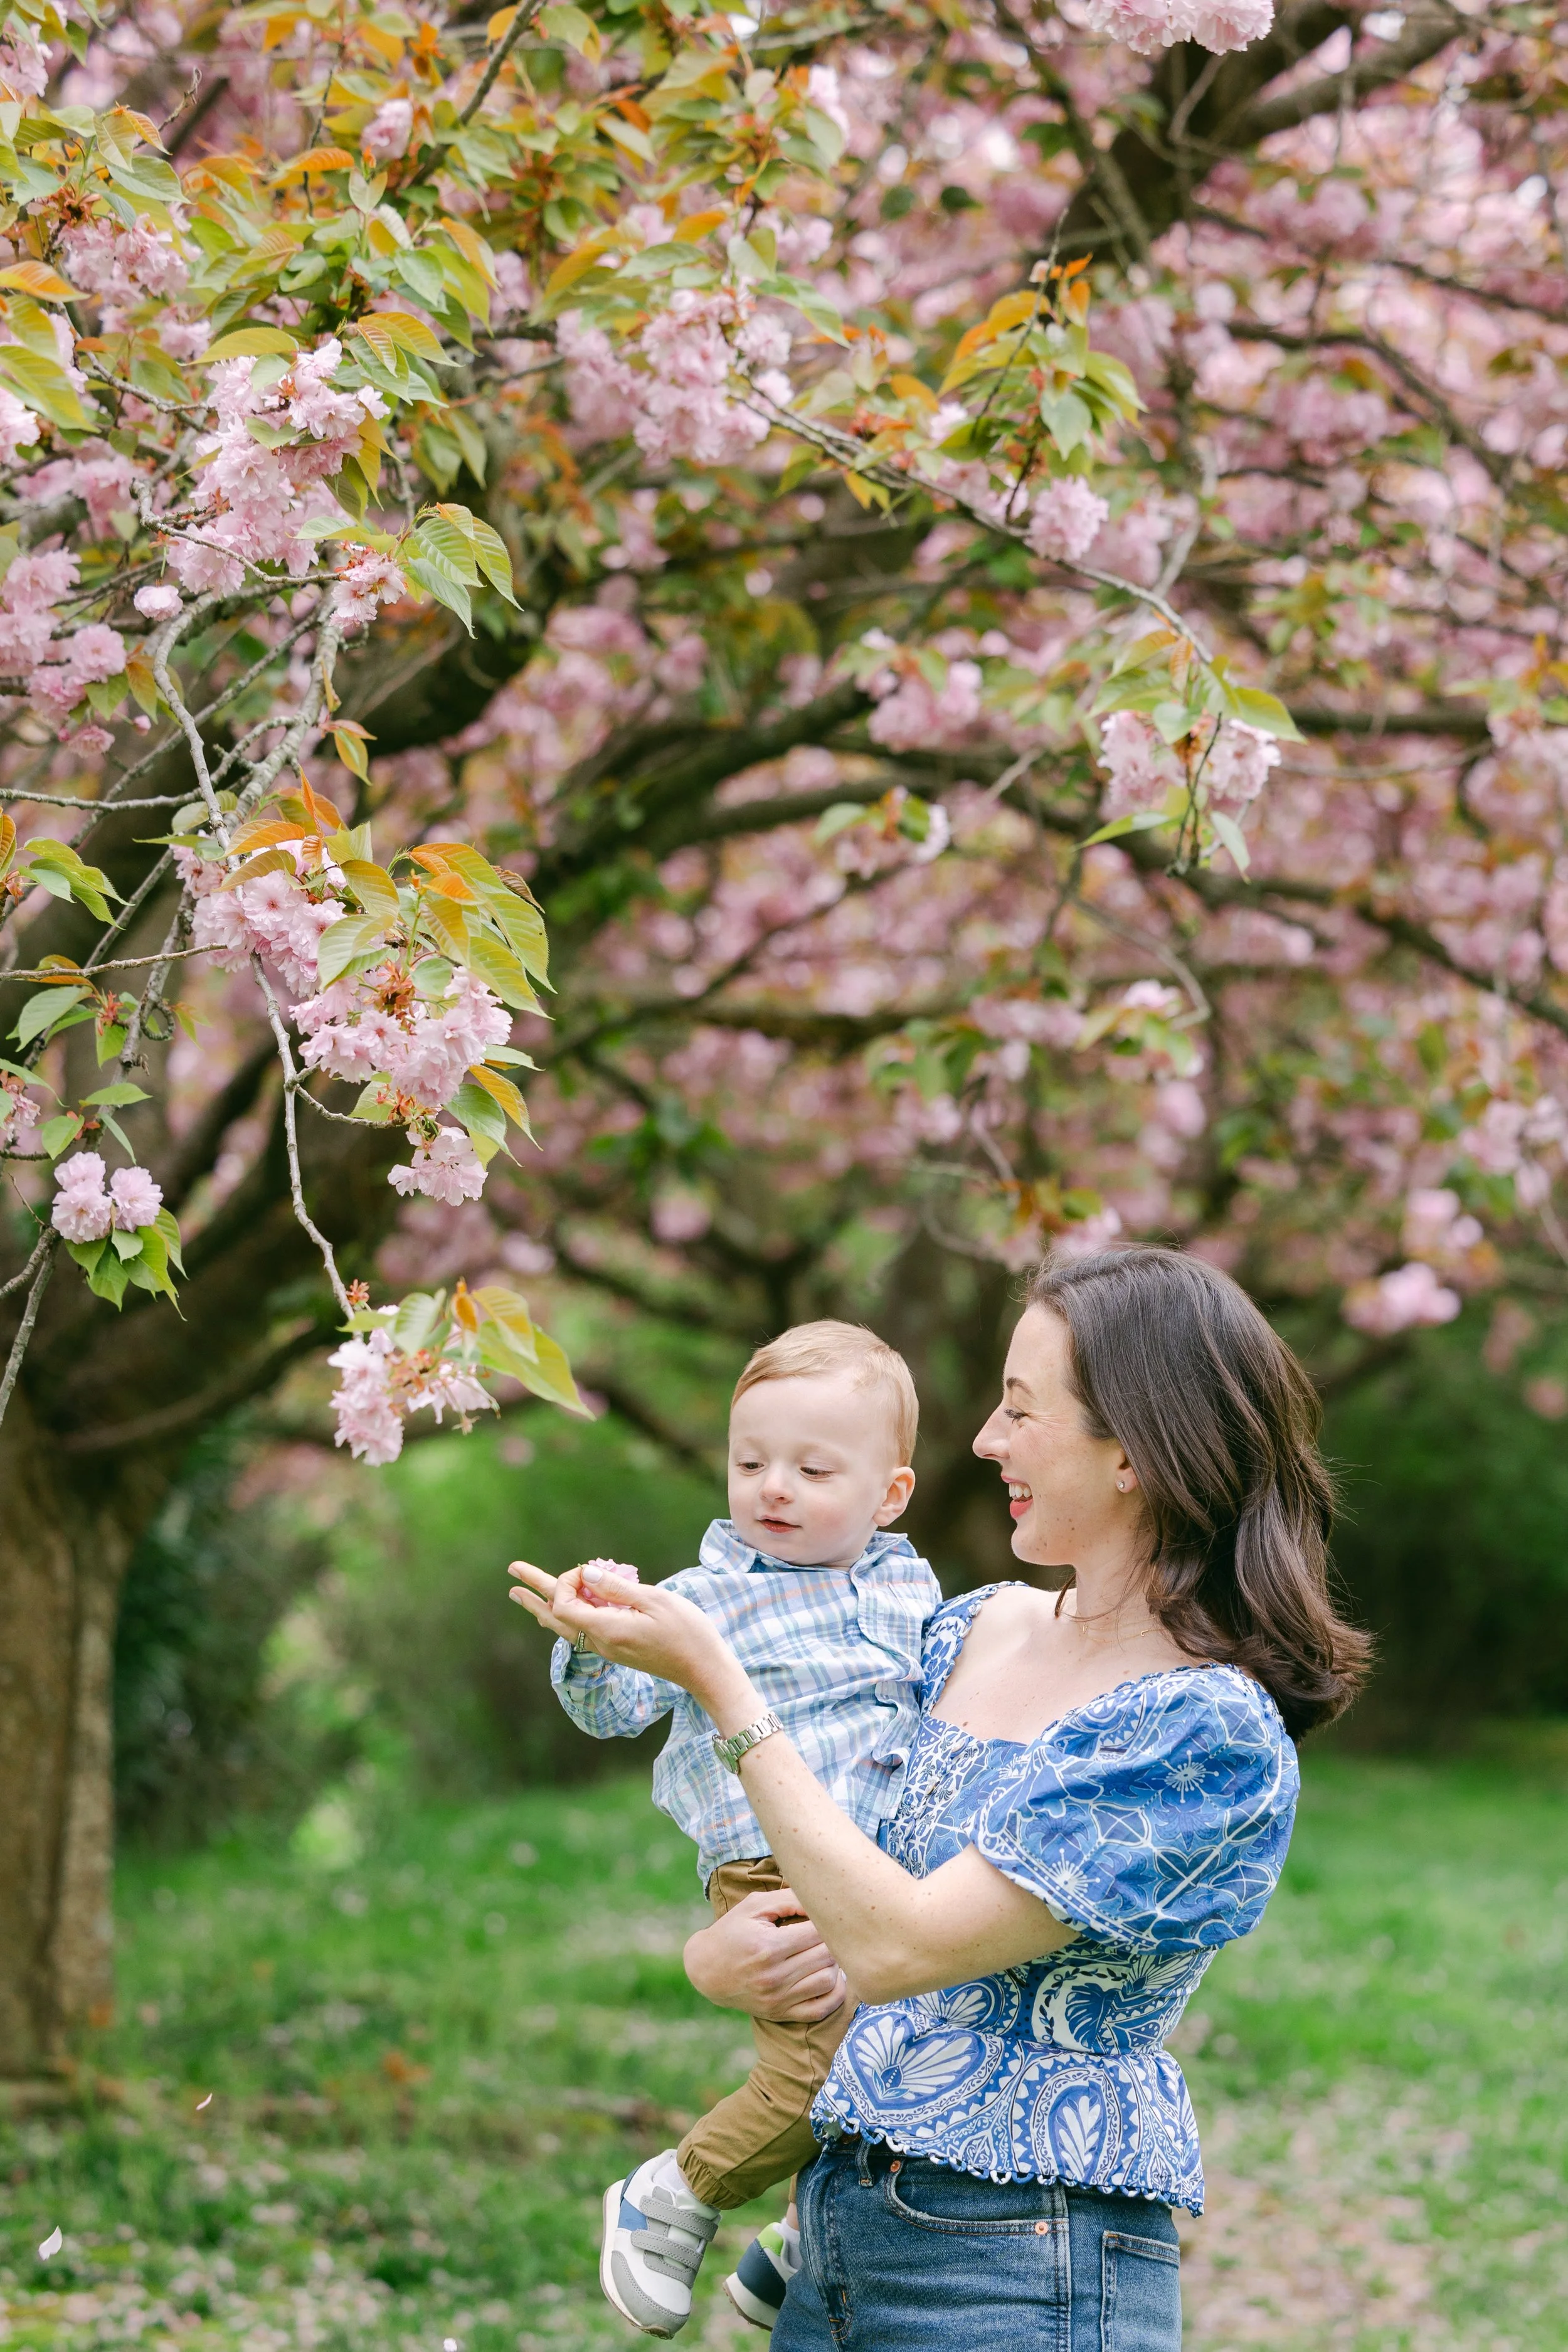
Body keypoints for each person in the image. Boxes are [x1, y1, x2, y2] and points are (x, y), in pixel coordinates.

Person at [512, 1247, 1372, 2349]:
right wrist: (715, 1957)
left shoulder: (1203, 1730)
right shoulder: (965, 1627)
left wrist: (720, 1679)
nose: (984, 1440)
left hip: (1020, 2265)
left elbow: (900, 1947)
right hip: (830, 2237)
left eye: (1021, 1410)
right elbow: (834, 1848)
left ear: (1132, 1453)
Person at [511, 1320, 941, 2338]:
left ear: (889, 1494)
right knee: (824, 2062)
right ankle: (679, 2189)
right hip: (770, 1870)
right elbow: (612, 1709)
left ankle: (799, 2234)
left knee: (908, 2048)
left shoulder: (915, 1592)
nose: (773, 1487)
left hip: (885, 1872)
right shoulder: (705, 1599)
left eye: (810, 1467)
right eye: (750, 1462)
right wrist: (586, 1633)